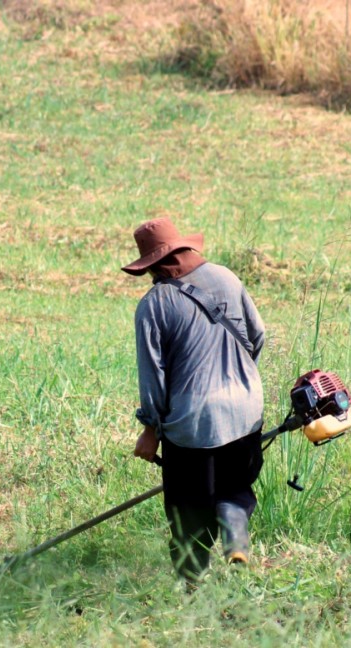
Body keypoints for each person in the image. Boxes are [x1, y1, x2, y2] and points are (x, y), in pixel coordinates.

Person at [122, 217, 266, 582]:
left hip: (193, 424)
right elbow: (258, 335)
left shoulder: (154, 304)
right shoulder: (226, 277)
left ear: (157, 264)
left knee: (189, 512)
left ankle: (193, 591)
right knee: (234, 489)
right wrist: (238, 380)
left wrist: (150, 429)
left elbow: (152, 376)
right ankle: (235, 532)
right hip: (247, 410)